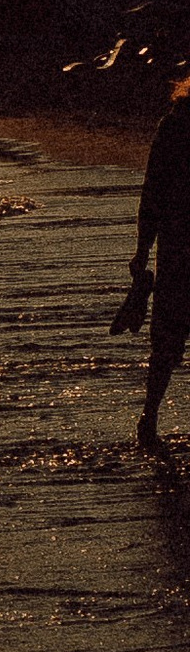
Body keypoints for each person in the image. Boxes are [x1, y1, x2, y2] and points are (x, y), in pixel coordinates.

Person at [125, 67, 190, 448]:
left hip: (177, 246)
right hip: (179, 245)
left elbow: (153, 191)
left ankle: (149, 419)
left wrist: (142, 250)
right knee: (166, 340)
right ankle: (148, 419)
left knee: (166, 341)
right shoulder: (175, 125)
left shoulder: (174, 124)